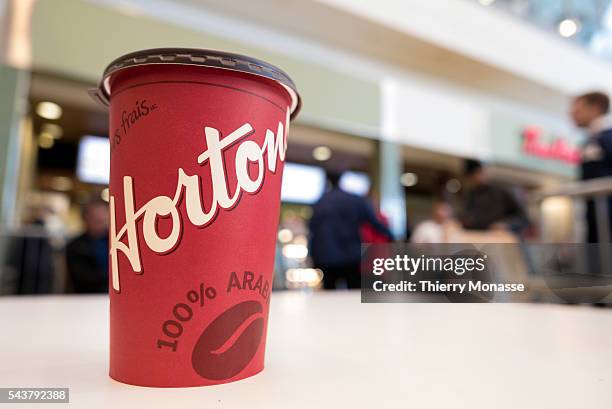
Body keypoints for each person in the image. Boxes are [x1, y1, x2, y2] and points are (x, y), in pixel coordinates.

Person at [309, 171, 394, 289]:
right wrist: (392, 237)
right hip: (351, 256)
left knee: (329, 296)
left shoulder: (320, 203)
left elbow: (312, 231)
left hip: (326, 257)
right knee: (354, 294)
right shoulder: (355, 200)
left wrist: (313, 257)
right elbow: (375, 223)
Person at [569, 91, 612, 242]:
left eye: (577, 110)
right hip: (595, 219)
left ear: (595, 108)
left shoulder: (607, 137)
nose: (572, 114)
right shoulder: (592, 140)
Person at [461, 160, 529, 234]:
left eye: (478, 173)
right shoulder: (472, 194)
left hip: (503, 240)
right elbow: (469, 219)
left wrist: (507, 224)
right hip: (481, 239)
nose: (475, 179)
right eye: (471, 177)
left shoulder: (504, 189)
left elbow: (524, 219)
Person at [66, 199, 109, 293]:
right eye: (96, 219)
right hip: (89, 294)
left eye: (103, 217)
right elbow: (82, 277)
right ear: (85, 219)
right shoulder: (75, 246)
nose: (101, 219)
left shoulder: (116, 242)